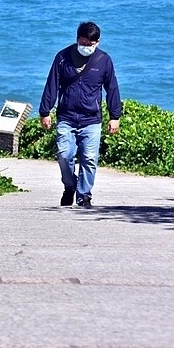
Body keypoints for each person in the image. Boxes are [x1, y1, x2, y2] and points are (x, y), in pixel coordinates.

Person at [39, 21, 122, 208]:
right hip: (66, 118)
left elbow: (112, 88)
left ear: (97, 42)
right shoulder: (62, 57)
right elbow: (51, 85)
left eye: (91, 45)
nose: (87, 47)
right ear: (77, 40)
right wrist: (45, 111)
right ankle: (70, 186)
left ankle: (84, 195)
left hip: (91, 119)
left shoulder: (104, 60)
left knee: (89, 158)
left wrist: (114, 116)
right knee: (64, 155)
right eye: (83, 43)